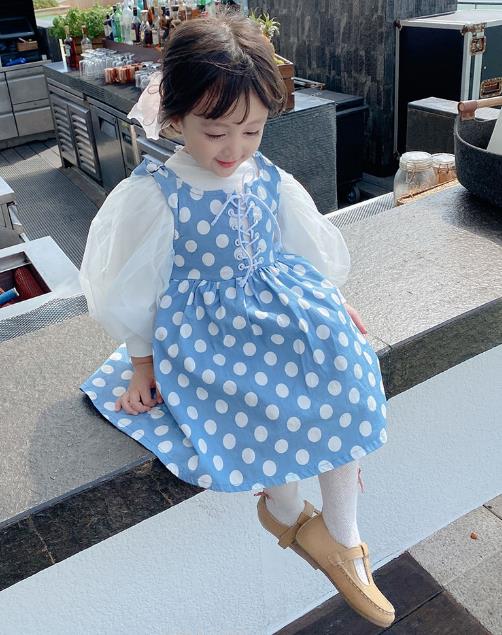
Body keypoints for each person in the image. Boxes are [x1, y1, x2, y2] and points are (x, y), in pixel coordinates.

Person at [80, 15, 394, 628]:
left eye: (251, 130)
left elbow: (301, 244)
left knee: (344, 365)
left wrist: (330, 300)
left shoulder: (265, 175)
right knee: (254, 401)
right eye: (215, 131)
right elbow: (131, 286)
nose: (234, 150)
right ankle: (287, 510)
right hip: (207, 333)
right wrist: (142, 363)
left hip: (275, 303)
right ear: (175, 118)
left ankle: (343, 535)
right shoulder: (157, 192)